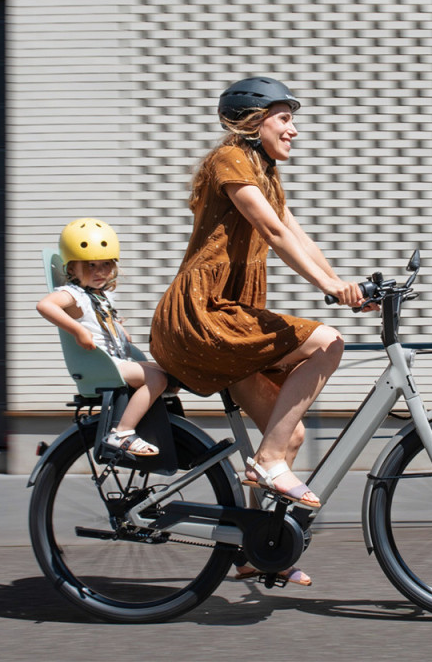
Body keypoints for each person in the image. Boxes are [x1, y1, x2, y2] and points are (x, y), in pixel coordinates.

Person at [150, 77, 371, 585]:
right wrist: (329, 288)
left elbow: (294, 232)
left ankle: (255, 550)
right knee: (327, 342)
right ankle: (266, 463)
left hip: (228, 319)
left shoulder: (265, 174)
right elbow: (270, 230)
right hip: (203, 315)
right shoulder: (230, 160)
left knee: (287, 434)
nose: (293, 130)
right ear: (254, 121)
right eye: (284, 118)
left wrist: (344, 284)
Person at [37, 218, 168, 457]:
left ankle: (153, 427)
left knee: (168, 373)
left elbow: (99, 321)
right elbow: (45, 306)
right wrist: (78, 331)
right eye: (90, 265)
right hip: (102, 365)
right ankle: (123, 432)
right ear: (71, 269)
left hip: (115, 360)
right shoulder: (73, 294)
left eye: (106, 264)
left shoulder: (98, 295)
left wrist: (118, 329)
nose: (100, 272)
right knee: (157, 380)